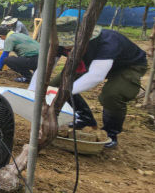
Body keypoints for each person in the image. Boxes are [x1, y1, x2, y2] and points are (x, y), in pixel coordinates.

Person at [29, 17, 148, 148]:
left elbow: (96, 76)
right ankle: (85, 118)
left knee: (111, 95)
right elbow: (44, 68)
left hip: (126, 66)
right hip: (89, 62)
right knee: (55, 86)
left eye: (70, 41)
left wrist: (63, 92)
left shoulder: (108, 42)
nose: (66, 46)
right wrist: (33, 90)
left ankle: (110, 133)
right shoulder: (59, 43)